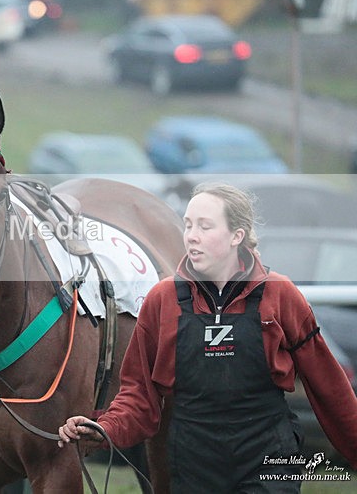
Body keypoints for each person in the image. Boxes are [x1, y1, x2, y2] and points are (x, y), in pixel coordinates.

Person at [58, 182, 357, 492]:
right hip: (191, 467)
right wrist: (103, 428)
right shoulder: (162, 300)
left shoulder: (279, 295)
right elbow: (139, 399)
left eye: (205, 226)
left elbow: (330, 389)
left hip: (269, 461)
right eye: (188, 225)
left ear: (236, 236)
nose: (191, 236)